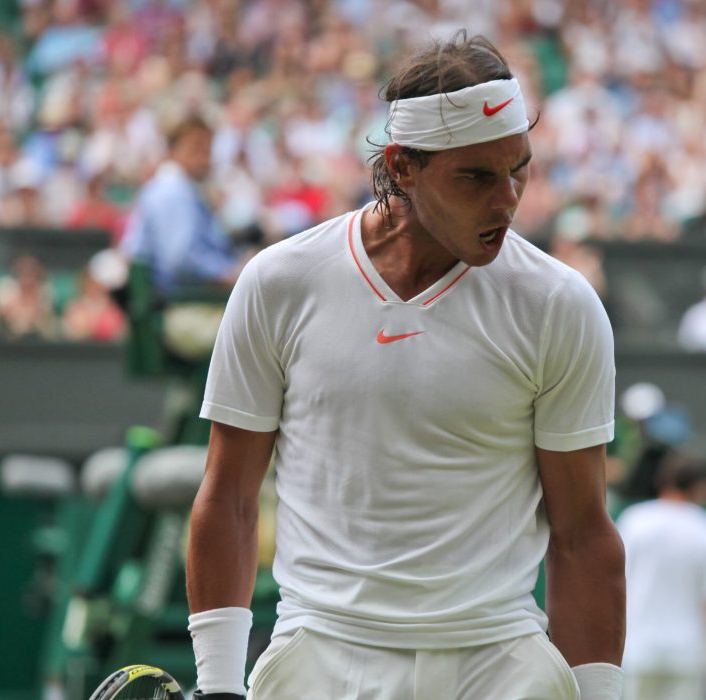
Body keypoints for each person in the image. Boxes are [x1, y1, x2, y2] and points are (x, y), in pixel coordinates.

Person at [187, 33, 624, 700]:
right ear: (403, 166)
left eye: (519, 169)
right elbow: (228, 498)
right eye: (476, 177)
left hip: (500, 662)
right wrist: (218, 686)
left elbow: (582, 534)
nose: (507, 200)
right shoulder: (279, 283)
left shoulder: (559, 306)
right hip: (320, 656)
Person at [618, 461, 706, 700]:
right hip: (689, 656)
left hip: (638, 652)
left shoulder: (633, 521)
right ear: (699, 487)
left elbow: (613, 586)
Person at [120, 116, 240, 296]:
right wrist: (230, 274)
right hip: (178, 302)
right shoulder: (172, 191)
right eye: (196, 149)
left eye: (208, 150)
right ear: (172, 151)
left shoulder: (182, 188)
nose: (204, 159)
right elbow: (181, 261)